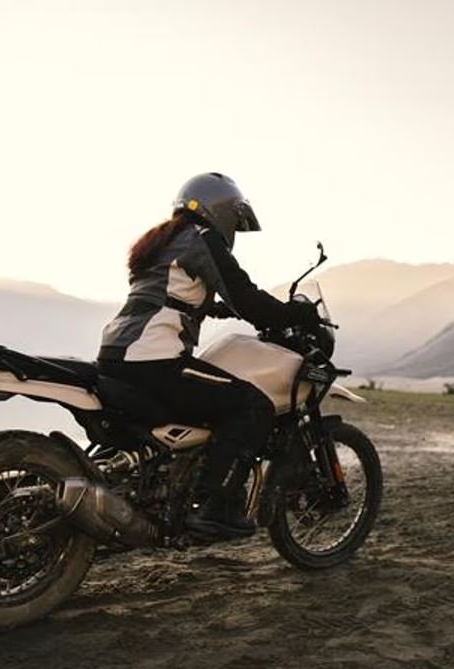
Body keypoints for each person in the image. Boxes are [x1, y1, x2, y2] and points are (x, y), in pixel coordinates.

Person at [97, 172, 321, 541]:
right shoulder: (202, 239)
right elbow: (247, 297)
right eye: (235, 219)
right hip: (154, 360)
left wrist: (215, 309)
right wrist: (298, 314)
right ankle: (216, 506)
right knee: (253, 406)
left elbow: (167, 295)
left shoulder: (162, 243)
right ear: (222, 211)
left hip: (116, 357)